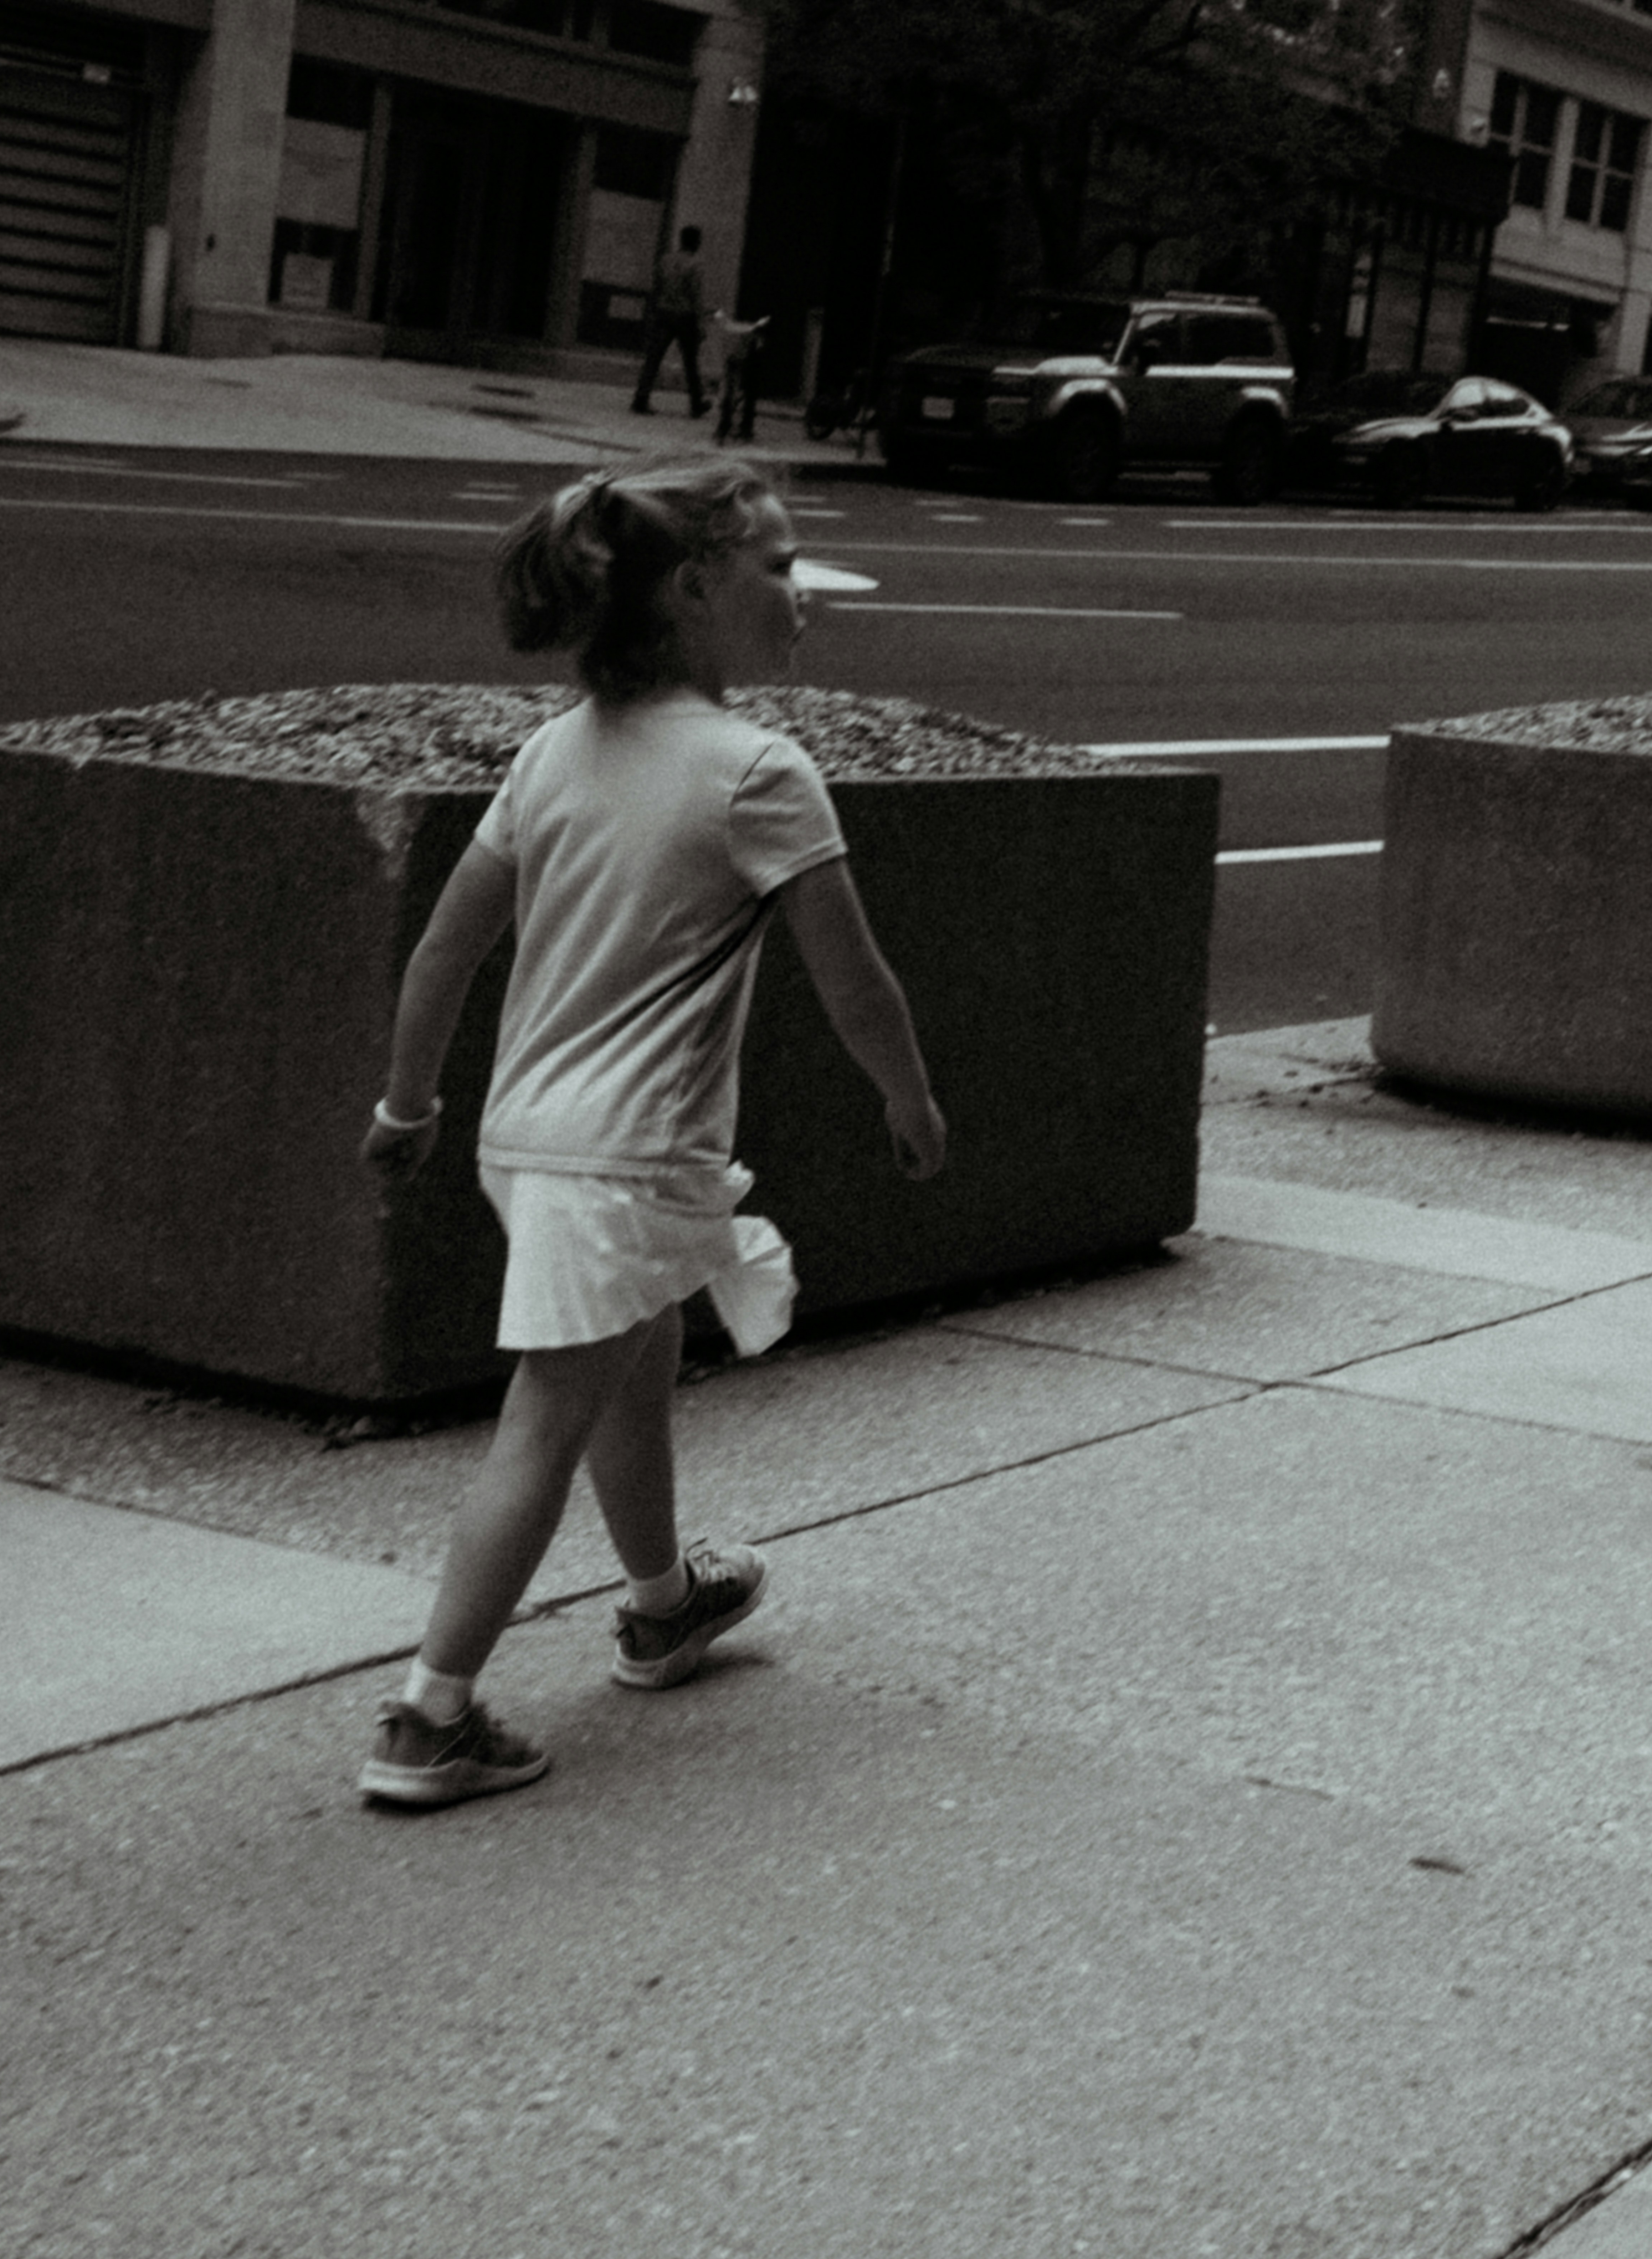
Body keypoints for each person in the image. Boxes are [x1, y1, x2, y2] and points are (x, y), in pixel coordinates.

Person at [355, 455, 948, 1808]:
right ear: (694, 590)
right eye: (783, 567)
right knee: (551, 1412)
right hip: (629, 1153)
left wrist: (409, 1103)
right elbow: (855, 977)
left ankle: (664, 1602)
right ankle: (426, 1715)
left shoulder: (551, 752)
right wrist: (905, 1095)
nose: (805, 593)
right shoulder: (757, 771)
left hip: (530, 1141)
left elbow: (445, 950)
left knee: (636, 1358)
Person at [632, 226, 711, 418]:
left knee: (654, 358)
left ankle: (641, 398)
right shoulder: (695, 265)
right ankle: (697, 402)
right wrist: (701, 323)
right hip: (685, 317)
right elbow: (696, 296)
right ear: (696, 242)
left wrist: (654, 310)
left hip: (664, 313)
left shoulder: (666, 260)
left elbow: (656, 287)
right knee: (691, 362)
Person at [712, 310, 771, 445]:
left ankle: (727, 426)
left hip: (743, 338)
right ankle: (742, 427)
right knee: (746, 387)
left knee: (734, 387)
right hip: (750, 337)